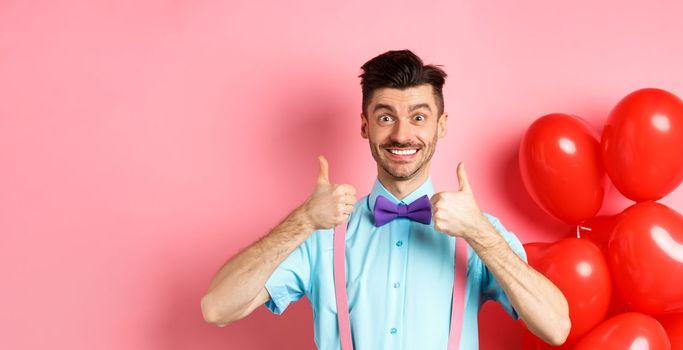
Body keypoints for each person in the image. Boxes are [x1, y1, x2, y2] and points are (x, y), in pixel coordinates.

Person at [200, 49, 570, 349]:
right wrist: (304, 222)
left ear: (441, 125)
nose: (402, 134)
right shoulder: (322, 233)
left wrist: (479, 233)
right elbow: (217, 308)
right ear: (365, 125)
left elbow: (556, 327)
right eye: (385, 117)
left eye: (419, 117)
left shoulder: (476, 230)